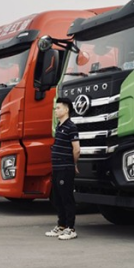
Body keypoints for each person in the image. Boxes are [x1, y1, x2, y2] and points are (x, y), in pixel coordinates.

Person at [45, 98, 80, 240]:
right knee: (57, 198)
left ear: (66, 110)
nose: (56, 110)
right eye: (56, 108)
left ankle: (71, 228)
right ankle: (61, 226)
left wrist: (74, 164)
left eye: (58, 108)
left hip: (66, 168)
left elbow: (76, 149)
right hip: (57, 168)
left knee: (67, 198)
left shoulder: (71, 127)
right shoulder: (59, 126)